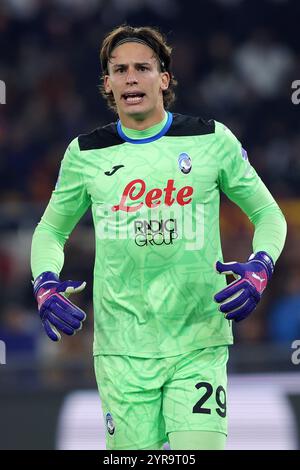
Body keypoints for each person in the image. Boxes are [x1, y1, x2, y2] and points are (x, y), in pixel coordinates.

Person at [30, 25, 287, 450]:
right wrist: (43, 283)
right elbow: (49, 231)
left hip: (198, 340)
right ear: (108, 84)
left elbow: (268, 215)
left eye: (143, 68)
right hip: (121, 349)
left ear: (163, 79)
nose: (131, 77)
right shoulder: (85, 154)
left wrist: (261, 267)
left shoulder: (211, 140)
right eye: (120, 70)